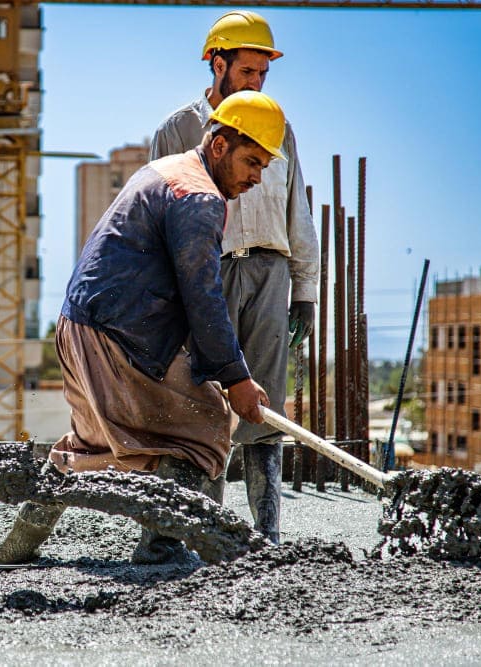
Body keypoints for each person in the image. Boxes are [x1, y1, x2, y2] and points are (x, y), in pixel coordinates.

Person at [0, 90, 284, 566]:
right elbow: (203, 296)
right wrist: (236, 377)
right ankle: (162, 547)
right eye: (252, 161)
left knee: (89, 444)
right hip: (120, 334)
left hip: (77, 326)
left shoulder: (163, 170)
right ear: (219, 145)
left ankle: (17, 546)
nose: (256, 177)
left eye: (265, 167)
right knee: (204, 428)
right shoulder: (199, 198)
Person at [150, 10, 319, 543]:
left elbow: (299, 211)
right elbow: (161, 216)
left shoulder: (279, 128)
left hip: (269, 272)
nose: (256, 82)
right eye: (247, 71)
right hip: (207, 274)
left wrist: (306, 290)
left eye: (263, 74)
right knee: (204, 402)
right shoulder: (179, 129)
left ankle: (265, 536)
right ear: (217, 64)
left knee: (263, 408)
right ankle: (202, 532)